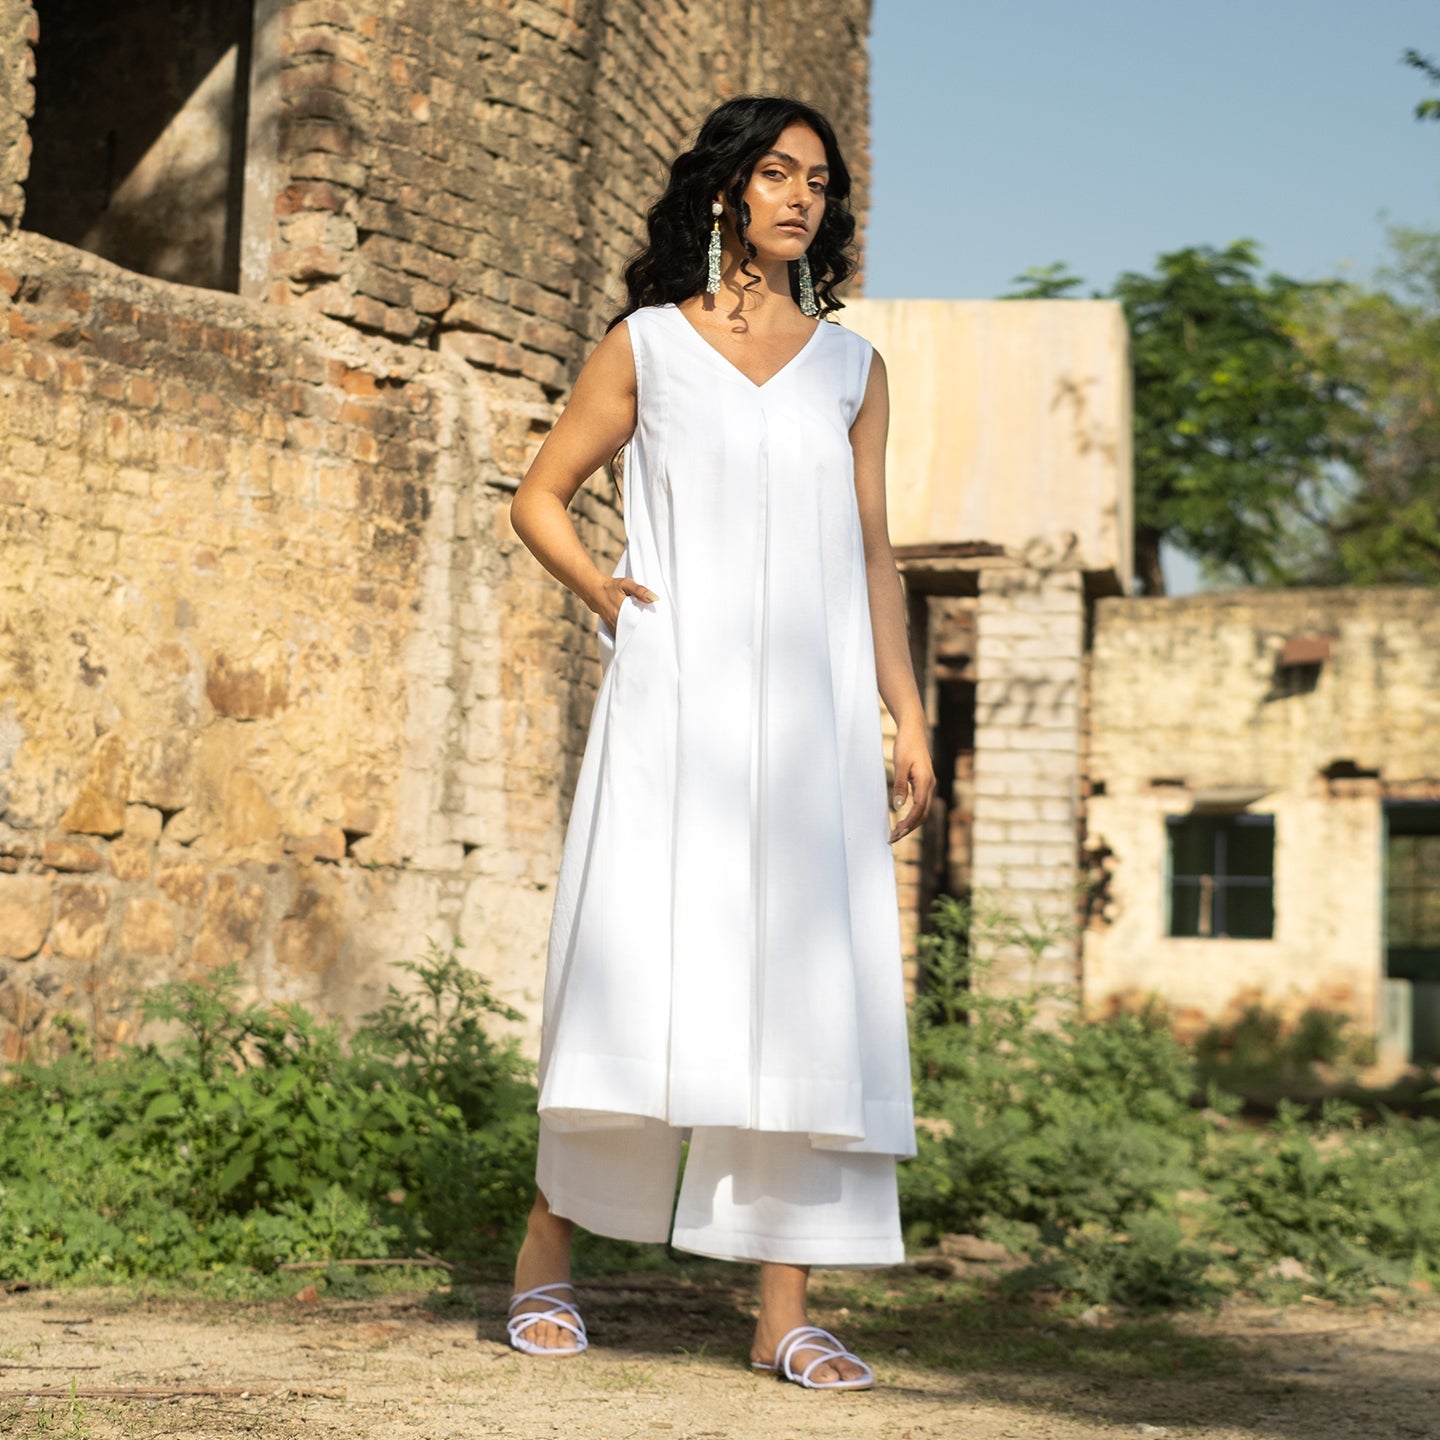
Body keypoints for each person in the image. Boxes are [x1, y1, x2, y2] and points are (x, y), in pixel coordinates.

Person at [506, 94, 935, 1392]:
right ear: (726, 194)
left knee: (798, 987)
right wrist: (608, 597)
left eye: (819, 180)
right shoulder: (647, 344)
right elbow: (539, 497)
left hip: (808, 722)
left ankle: (782, 1310)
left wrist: (908, 719)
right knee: (637, 963)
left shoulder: (854, 372)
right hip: (674, 699)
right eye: (776, 175)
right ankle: (543, 1260)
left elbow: (874, 554)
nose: (801, 197)